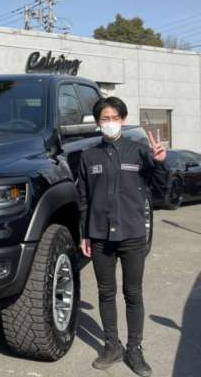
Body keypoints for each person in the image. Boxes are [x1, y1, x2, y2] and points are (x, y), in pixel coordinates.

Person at [77, 97, 168, 377]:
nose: (109, 122)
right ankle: (111, 346)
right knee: (106, 293)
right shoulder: (88, 156)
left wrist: (161, 163)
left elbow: (161, 190)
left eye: (114, 117)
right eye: (104, 118)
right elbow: (83, 199)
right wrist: (84, 234)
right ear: (97, 123)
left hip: (132, 234)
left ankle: (135, 349)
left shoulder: (140, 152)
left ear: (123, 119)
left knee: (133, 293)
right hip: (100, 235)